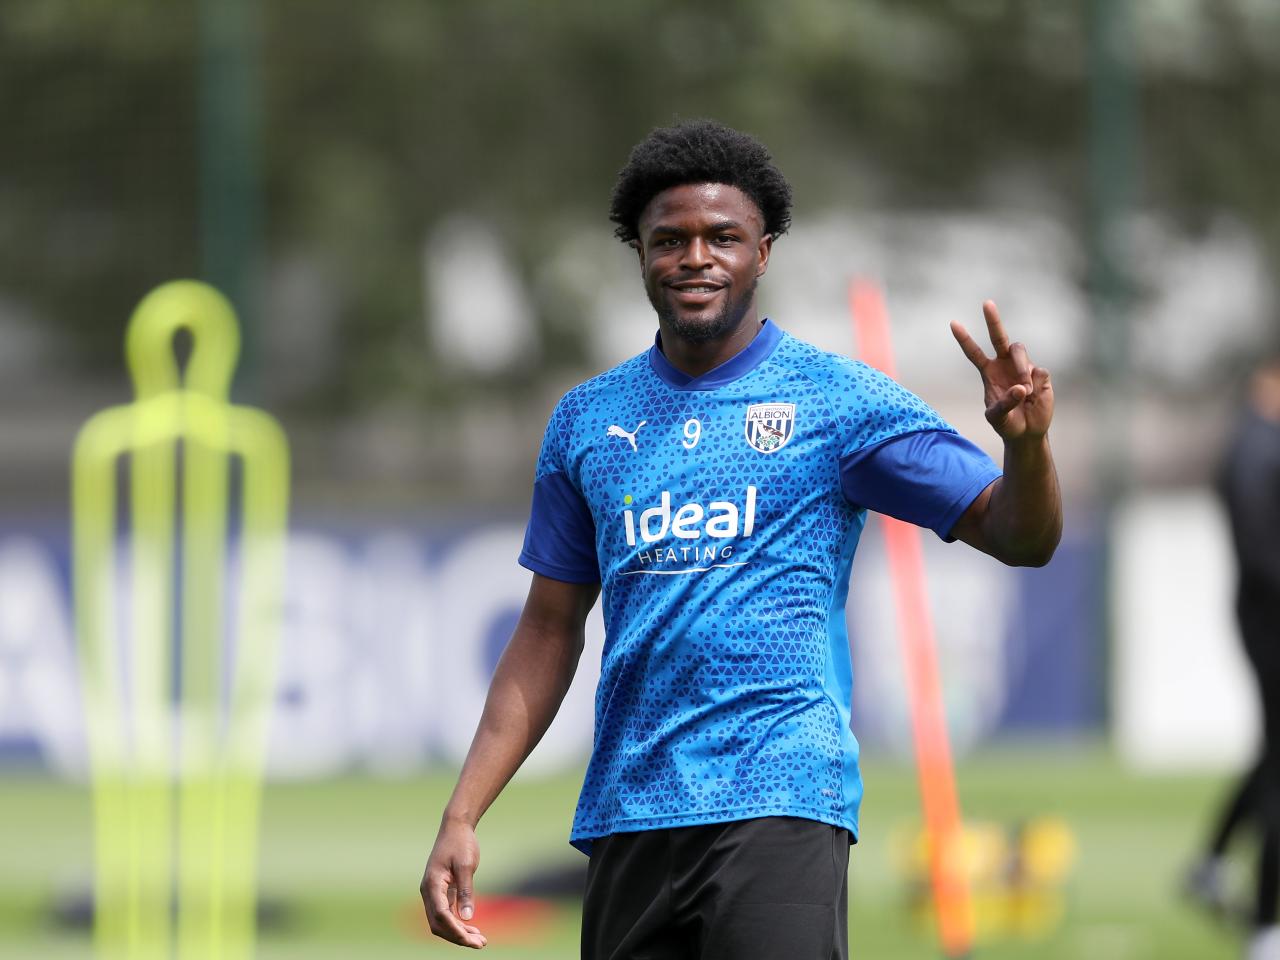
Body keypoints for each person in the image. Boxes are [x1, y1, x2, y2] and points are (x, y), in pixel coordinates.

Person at [420, 119, 1062, 958]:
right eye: (670, 240)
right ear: (641, 255)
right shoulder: (587, 420)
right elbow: (547, 628)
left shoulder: (838, 403)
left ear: (765, 252)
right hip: (630, 808)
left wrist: (1026, 446)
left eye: (723, 236)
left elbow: (1020, 536)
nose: (696, 257)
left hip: (780, 795)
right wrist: (462, 813)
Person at [1185, 357, 1280, 960]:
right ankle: (1265, 920)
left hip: (1265, 618)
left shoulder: (1259, 445)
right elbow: (1261, 552)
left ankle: (1213, 863)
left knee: (1274, 758)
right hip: (1271, 622)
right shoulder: (1254, 447)